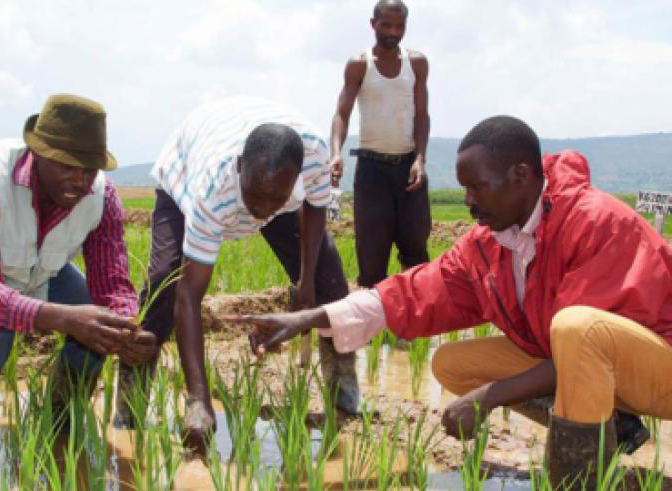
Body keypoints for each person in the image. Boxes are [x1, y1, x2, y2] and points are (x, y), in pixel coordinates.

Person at [229, 116, 672, 488]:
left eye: (477, 187)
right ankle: (611, 430)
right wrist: (309, 317)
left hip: (659, 367)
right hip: (598, 368)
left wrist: (489, 398)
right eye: (463, 188)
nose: (467, 201)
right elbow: (411, 292)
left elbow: (580, 342)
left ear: (521, 176)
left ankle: (580, 479)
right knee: (453, 365)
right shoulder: (490, 245)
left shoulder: (594, 222)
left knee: (575, 328)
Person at [0, 94, 156, 466]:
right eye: (67, 166)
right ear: (37, 153)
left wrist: (125, 328)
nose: (80, 180)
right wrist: (64, 318)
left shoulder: (102, 196)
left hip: (41, 269)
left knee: (101, 321)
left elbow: (112, 283)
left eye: (88, 169)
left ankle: (58, 425)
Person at [116, 96, 361, 451]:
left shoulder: (315, 158)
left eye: (273, 200)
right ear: (240, 166)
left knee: (330, 285)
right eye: (255, 197)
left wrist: (305, 283)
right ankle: (129, 405)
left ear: (295, 179)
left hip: (262, 173)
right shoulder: (213, 189)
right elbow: (189, 295)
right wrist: (198, 399)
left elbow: (315, 206)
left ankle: (344, 395)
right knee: (165, 283)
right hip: (184, 171)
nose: (260, 211)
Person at [329, 0, 431, 288]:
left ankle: (413, 328)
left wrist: (420, 159)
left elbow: (422, 116)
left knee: (416, 255)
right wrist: (336, 153)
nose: (393, 31)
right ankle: (376, 330)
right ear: (373, 24)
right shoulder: (360, 65)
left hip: (409, 170)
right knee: (372, 261)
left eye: (399, 26)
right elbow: (341, 113)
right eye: (386, 25)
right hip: (372, 172)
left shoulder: (417, 63)